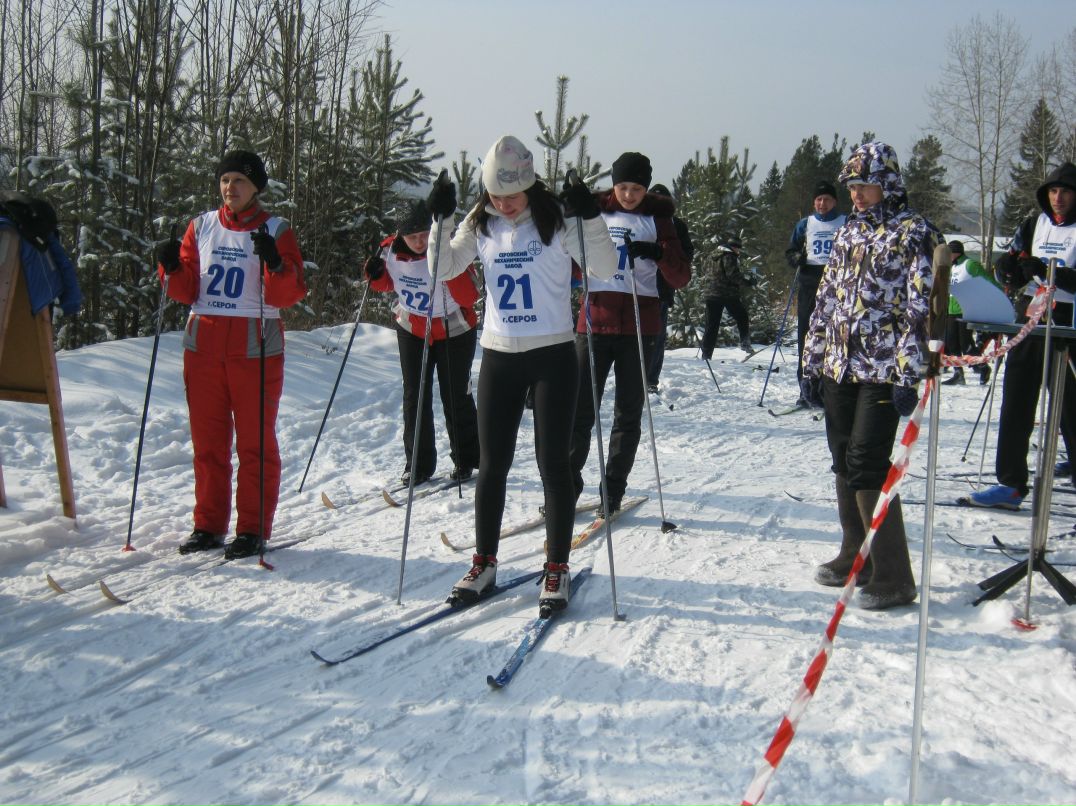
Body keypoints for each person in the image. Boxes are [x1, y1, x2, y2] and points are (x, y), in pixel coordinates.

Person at [424, 135, 619, 613]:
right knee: (492, 465)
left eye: (511, 196)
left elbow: (607, 268)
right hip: (499, 355)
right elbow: (443, 267)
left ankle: (555, 568)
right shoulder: (481, 221)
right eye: (494, 195)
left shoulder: (555, 219)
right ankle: (484, 562)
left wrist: (590, 218)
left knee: (554, 463)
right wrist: (441, 219)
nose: (503, 205)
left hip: (552, 353)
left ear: (530, 186)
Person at [801, 140, 941, 610]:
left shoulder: (913, 231)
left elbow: (920, 306)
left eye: (866, 186)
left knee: (867, 461)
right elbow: (825, 300)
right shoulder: (849, 232)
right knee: (842, 456)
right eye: (853, 186)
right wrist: (812, 361)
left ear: (888, 184)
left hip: (883, 367)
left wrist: (908, 372)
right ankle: (853, 554)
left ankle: (894, 574)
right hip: (840, 362)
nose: (857, 195)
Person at [156, 150, 307, 559]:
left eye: (239, 181)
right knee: (208, 442)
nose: (230, 188)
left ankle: (253, 528)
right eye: (225, 181)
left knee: (255, 442)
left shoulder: (276, 229)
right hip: (203, 343)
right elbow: (187, 288)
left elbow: (288, 293)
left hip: (254, 344)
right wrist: (170, 268)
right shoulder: (201, 225)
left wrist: (275, 262)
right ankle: (208, 524)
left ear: (256, 186)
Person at [568, 152, 692, 515]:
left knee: (627, 414)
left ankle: (613, 490)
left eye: (636, 188)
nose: (628, 195)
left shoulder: (660, 219)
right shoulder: (594, 211)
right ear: (613, 183)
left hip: (640, 325)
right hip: (594, 320)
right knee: (579, 412)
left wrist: (659, 252)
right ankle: (568, 488)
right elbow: (567, 253)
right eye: (622, 187)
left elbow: (681, 277)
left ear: (646, 187)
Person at [964, 161, 1076, 509]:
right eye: (1053, 191)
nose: (1058, 198)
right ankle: (1011, 483)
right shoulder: (1033, 224)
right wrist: (1007, 269)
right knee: (1016, 401)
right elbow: (1010, 258)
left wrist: (1050, 271)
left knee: (1070, 407)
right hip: (1031, 314)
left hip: (1070, 319)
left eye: (1065, 192)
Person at [363, 199, 481, 485]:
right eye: (412, 236)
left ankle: (466, 460)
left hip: (454, 326)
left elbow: (470, 296)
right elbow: (388, 283)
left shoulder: (446, 248)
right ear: (400, 235)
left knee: (455, 394)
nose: (419, 242)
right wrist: (374, 274)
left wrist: (448, 270)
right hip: (414, 327)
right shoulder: (389, 250)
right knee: (415, 395)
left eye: (423, 235)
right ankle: (418, 465)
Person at [785, 181, 846, 399]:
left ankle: (828, 389)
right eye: (819, 199)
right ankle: (805, 388)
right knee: (807, 335)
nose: (822, 203)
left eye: (827, 199)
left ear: (835, 201)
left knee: (833, 337)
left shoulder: (845, 223)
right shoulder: (805, 224)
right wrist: (795, 258)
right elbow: (791, 250)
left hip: (837, 283)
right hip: (810, 281)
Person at [644, 183, 694, 393]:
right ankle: (634, 376)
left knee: (657, 335)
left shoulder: (677, 225)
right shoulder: (641, 221)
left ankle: (651, 380)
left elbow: (687, 254)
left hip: (663, 286)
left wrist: (665, 258)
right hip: (638, 285)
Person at [941, 240, 995, 386]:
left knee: (966, 344)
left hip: (966, 309)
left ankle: (983, 367)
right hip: (951, 309)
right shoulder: (953, 267)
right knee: (951, 343)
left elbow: (989, 281)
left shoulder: (970, 264)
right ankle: (958, 374)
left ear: (955, 252)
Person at [700, 235, 755, 357]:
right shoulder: (729, 256)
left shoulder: (711, 255)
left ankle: (706, 354)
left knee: (711, 325)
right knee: (742, 316)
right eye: (738, 248)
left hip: (710, 294)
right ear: (734, 247)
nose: (738, 251)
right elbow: (733, 275)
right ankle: (745, 344)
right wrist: (749, 281)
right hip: (727, 294)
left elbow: (704, 270)